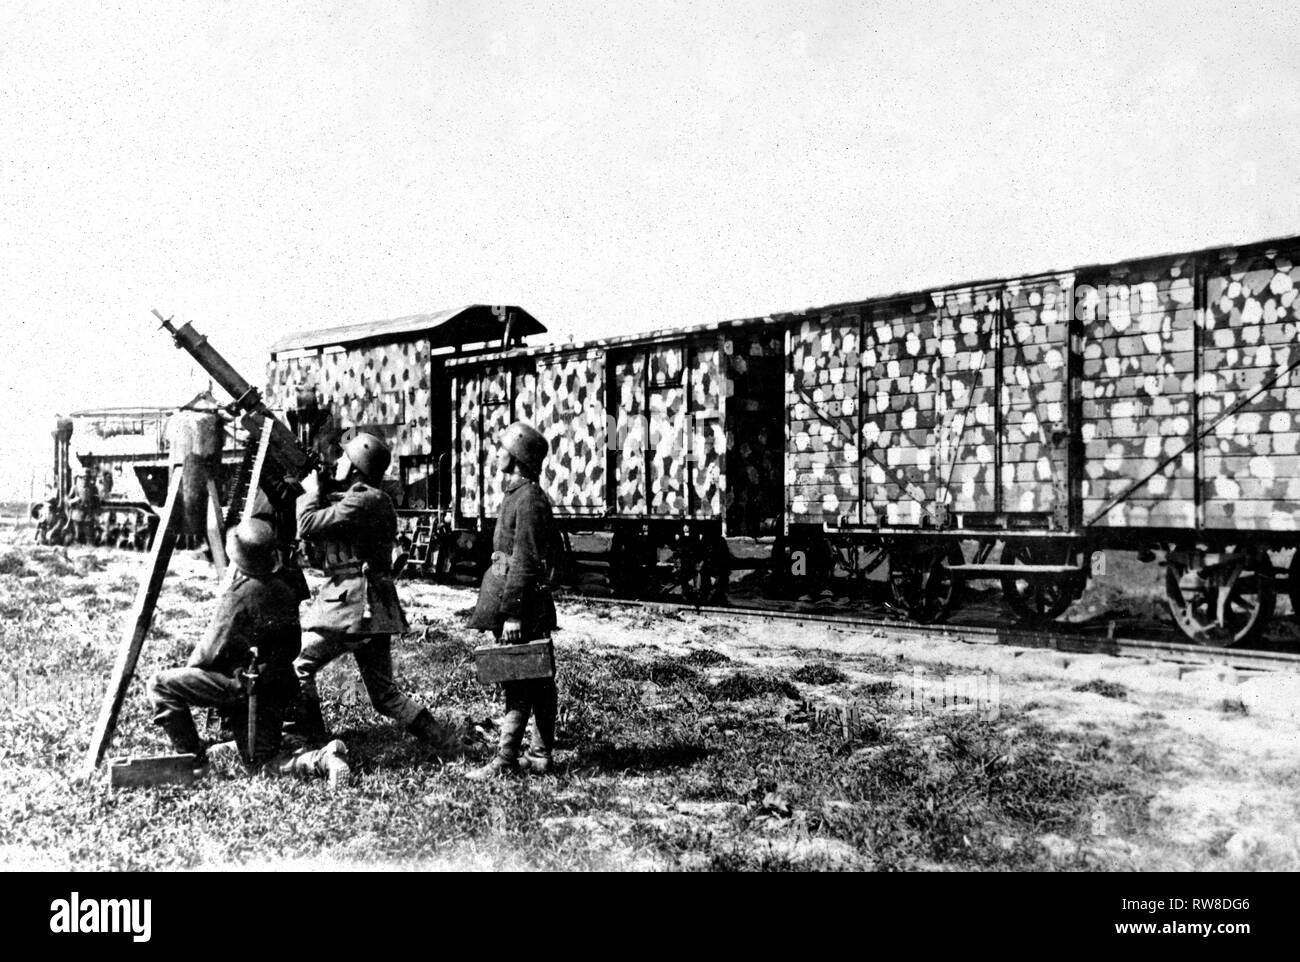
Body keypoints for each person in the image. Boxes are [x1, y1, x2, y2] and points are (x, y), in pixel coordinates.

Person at [146, 519, 351, 789]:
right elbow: (293, 646)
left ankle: (192, 759)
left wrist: (195, 672)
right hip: (276, 687)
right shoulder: (285, 589)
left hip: (243, 687)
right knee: (263, 761)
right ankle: (322, 759)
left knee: (160, 685)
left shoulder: (239, 597)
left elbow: (208, 654)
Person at [290, 432, 459, 750]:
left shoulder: (363, 499)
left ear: (356, 466)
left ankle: (314, 742)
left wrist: (310, 493)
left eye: (344, 458)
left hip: (354, 605)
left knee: (299, 664)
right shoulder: (370, 498)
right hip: (373, 607)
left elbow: (309, 524)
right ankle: (446, 743)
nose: (337, 461)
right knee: (384, 696)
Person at [467, 421, 560, 780]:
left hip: (523, 605)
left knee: (520, 677)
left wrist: (514, 615)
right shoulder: (518, 494)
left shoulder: (530, 499)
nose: (497, 453)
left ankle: (506, 760)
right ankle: (539, 756)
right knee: (535, 679)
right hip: (517, 600)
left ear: (518, 455)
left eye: (502, 447)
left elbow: (525, 558)